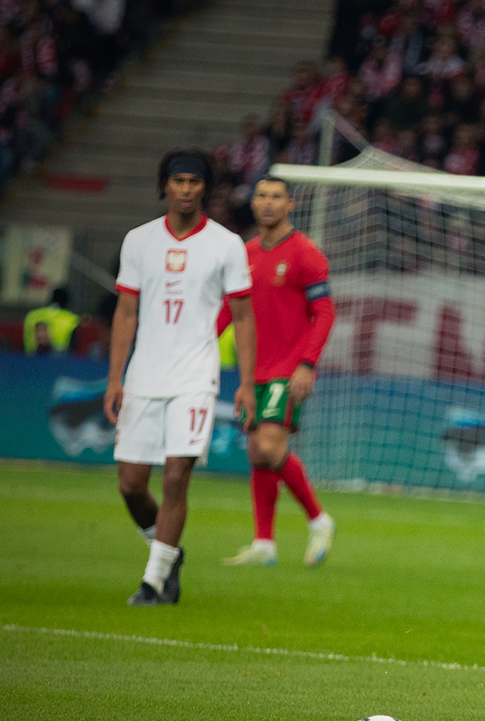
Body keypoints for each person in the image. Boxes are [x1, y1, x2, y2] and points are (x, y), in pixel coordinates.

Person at [104, 148, 256, 606]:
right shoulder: (138, 240)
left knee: (175, 478)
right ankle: (168, 553)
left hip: (195, 376)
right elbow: (126, 311)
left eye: (194, 182)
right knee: (130, 483)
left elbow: (244, 317)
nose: (186, 190)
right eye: (178, 182)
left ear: (205, 188)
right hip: (145, 374)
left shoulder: (227, 244)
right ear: (164, 186)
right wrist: (115, 377)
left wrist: (246, 382)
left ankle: (152, 584)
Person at [220, 177, 338, 568]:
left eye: (276, 197)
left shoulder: (305, 253)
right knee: (257, 452)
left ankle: (320, 520)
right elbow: (230, 310)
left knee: (269, 446)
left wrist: (307, 364)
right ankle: (264, 544)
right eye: (262, 196)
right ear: (253, 203)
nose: (268, 203)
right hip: (253, 369)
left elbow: (324, 312)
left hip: (288, 369)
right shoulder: (245, 253)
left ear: (290, 204)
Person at [24, 287, 79, 355]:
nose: (41, 335)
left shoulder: (32, 315)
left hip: (30, 358)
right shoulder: (72, 318)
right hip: (59, 361)